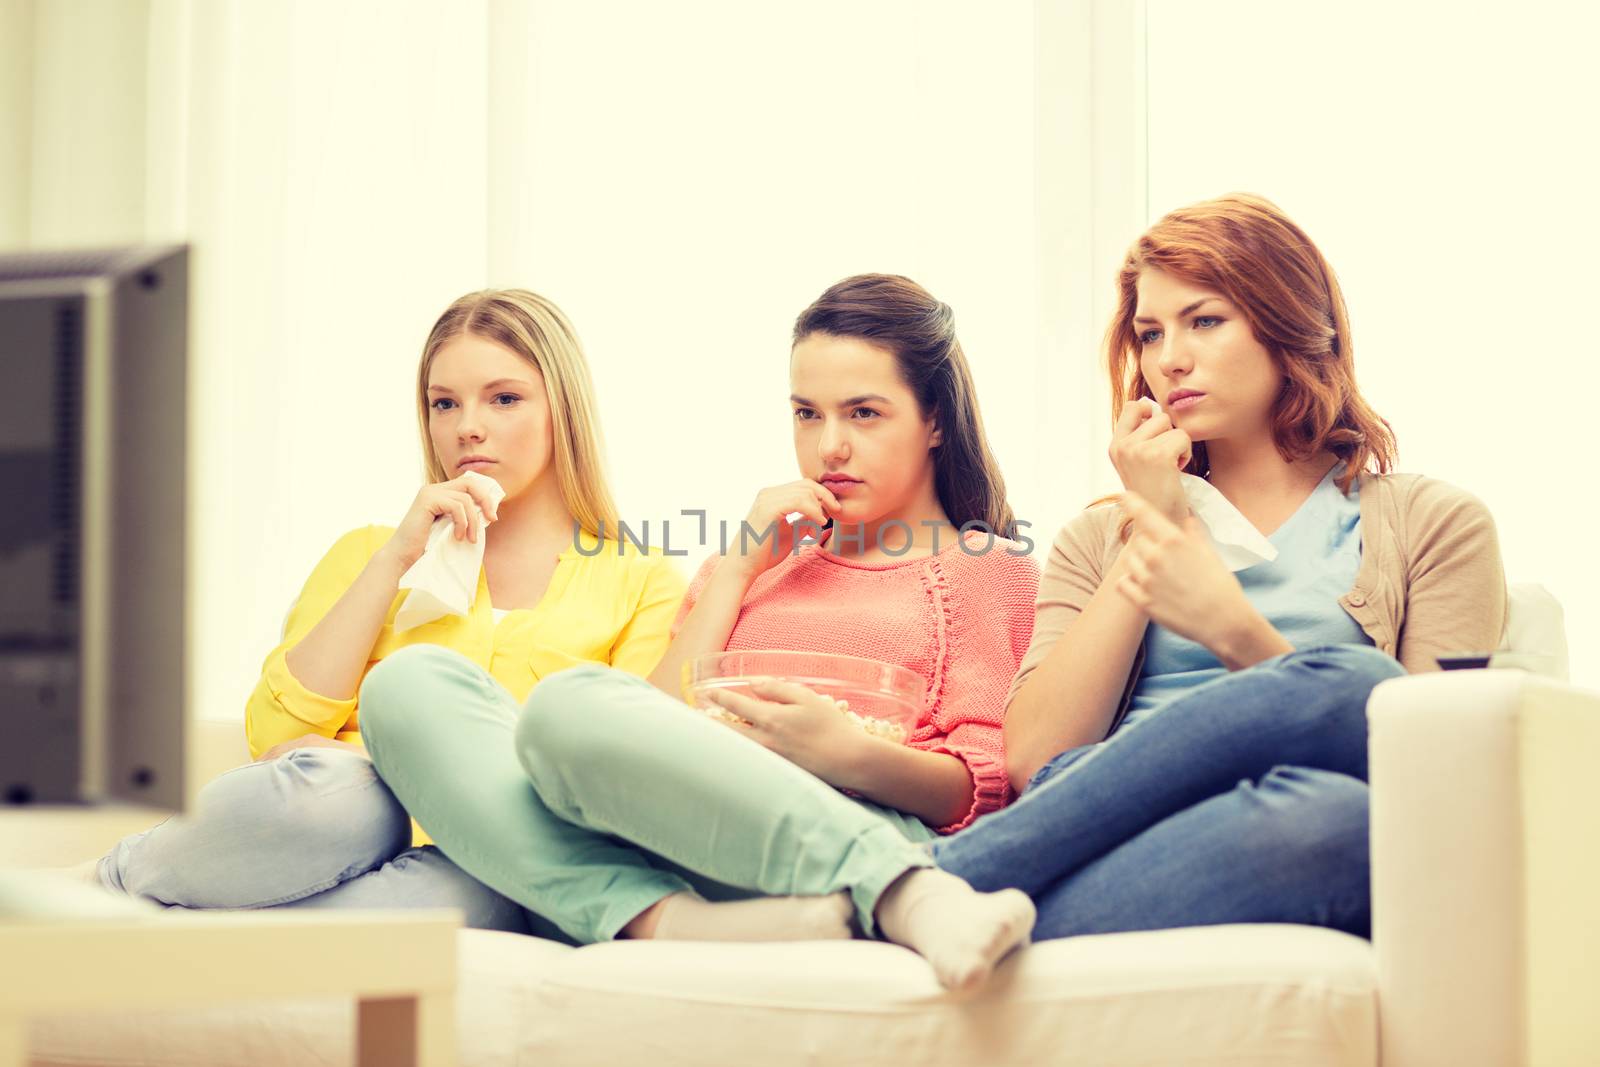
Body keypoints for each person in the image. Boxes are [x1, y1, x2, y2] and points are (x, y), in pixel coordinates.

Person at [359, 274, 1039, 990]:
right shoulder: (745, 562)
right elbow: (630, 734)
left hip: (845, 833)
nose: (829, 446)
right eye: (807, 414)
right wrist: (740, 569)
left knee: (565, 701)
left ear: (934, 420)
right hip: (685, 849)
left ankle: (907, 891)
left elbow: (988, 785)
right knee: (406, 688)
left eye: (863, 414)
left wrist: (848, 754)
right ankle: (663, 921)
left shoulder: (983, 569)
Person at [934, 193, 1506, 940]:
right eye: (1149, 333)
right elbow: (1038, 756)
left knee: (1343, 805)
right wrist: (1156, 526)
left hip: (1269, 831)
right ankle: (937, 885)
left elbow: (1434, 781)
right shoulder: (1102, 534)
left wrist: (1230, 627)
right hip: (1095, 826)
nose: (1169, 357)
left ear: (1289, 322)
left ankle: (926, 891)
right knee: (1355, 687)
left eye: (1204, 320)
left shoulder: (1435, 524)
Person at [91, 289, 686, 932]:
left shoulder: (643, 580)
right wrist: (397, 559)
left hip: (479, 862)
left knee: (475, 890)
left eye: (504, 398)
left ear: (562, 410)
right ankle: (109, 882)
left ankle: (174, 933)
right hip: (337, 821)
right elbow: (277, 737)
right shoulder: (372, 553)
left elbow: (614, 779)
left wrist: (405, 763)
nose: (467, 427)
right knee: (350, 801)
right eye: (444, 403)